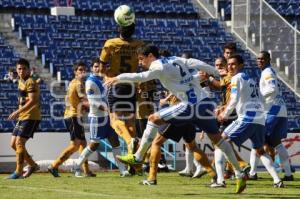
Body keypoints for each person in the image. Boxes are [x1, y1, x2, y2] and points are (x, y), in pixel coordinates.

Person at [106, 44, 247, 194]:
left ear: (150, 56)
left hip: (190, 106)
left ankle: (138, 157)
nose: (141, 63)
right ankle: (239, 173)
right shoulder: (175, 59)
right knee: (218, 140)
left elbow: (140, 77)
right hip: (205, 103)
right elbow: (195, 63)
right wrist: (214, 72)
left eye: (141, 59)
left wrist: (117, 78)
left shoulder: (157, 66)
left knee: (153, 119)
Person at [217, 54, 284, 188]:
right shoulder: (251, 79)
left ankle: (225, 179)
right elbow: (259, 98)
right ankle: (277, 180)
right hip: (259, 119)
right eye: (228, 64)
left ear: (241, 65)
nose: (230, 66)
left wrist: (225, 114)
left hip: (247, 118)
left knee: (220, 142)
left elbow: (234, 99)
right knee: (260, 150)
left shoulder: (236, 78)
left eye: (233, 64)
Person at [140, 93, 216, 185]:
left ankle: (151, 178)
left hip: (176, 114)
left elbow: (175, 91)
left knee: (156, 143)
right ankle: (214, 176)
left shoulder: (174, 80)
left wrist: (166, 99)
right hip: (189, 115)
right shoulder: (191, 82)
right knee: (193, 147)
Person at [73, 58, 129, 177]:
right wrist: (110, 111)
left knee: (115, 141)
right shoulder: (90, 82)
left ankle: (123, 170)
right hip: (97, 118)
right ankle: (77, 166)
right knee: (94, 144)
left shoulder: (103, 80)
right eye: (96, 66)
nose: (98, 69)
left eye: (100, 66)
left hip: (107, 118)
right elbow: (94, 103)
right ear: (92, 68)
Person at [99, 13, 143, 157]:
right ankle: (135, 162)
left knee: (114, 120)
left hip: (116, 84)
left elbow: (102, 68)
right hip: (131, 85)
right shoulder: (139, 45)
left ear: (119, 29)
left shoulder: (111, 43)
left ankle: (130, 141)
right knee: (130, 123)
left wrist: (106, 76)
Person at [248, 51, 293, 181]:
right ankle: (288, 174)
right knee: (277, 143)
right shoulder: (270, 71)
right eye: (258, 59)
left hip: (272, 110)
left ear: (268, 59)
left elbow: (272, 88)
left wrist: (258, 98)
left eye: (262, 58)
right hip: (280, 109)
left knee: (257, 140)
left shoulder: (267, 72)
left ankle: (252, 173)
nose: (259, 61)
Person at [48, 61, 93, 177]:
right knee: (75, 145)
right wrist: (97, 107)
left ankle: (86, 170)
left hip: (73, 115)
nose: (83, 72)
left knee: (83, 143)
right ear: (75, 72)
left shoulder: (73, 82)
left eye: (84, 70)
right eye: (80, 70)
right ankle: (54, 165)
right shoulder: (78, 84)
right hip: (73, 116)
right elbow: (84, 100)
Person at [6, 58, 41, 179]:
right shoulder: (21, 81)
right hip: (23, 116)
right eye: (19, 68)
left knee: (19, 142)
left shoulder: (30, 81)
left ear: (28, 70)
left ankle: (18, 171)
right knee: (13, 144)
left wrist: (17, 111)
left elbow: (32, 101)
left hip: (31, 116)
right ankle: (33, 165)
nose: (21, 71)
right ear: (16, 70)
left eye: (24, 68)